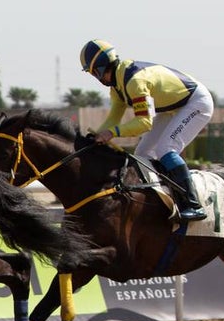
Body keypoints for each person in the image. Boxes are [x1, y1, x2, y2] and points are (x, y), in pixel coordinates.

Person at [80, 39, 214, 221]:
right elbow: (113, 118)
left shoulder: (135, 81)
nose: (95, 77)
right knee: (142, 154)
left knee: (165, 149)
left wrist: (112, 133)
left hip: (195, 103)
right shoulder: (117, 87)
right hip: (172, 108)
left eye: (94, 72)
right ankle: (159, 199)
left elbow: (144, 123)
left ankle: (193, 204)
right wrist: (95, 137)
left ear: (102, 67)